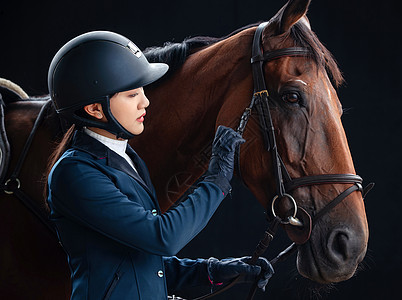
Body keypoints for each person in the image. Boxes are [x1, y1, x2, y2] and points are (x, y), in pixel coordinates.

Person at [45, 31, 274, 300]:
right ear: (95, 109)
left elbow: (144, 264)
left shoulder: (129, 158)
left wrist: (213, 270)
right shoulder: (75, 173)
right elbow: (162, 238)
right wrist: (217, 179)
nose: (146, 101)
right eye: (132, 95)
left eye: (142, 91)